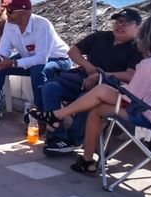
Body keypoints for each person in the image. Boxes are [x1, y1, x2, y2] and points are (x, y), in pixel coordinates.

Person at [31, 16, 151, 175]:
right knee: (98, 94)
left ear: (145, 38)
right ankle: (67, 130)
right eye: (118, 21)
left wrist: (110, 85)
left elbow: (130, 98)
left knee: (97, 107)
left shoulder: (150, 64)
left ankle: (84, 156)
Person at [41, 8, 143, 156]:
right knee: (50, 88)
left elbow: (130, 75)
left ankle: (74, 140)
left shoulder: (137, 48)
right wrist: (89, 67)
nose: (120, 25)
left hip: (107, 87)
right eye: (118, 21)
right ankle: (58, 136)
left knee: (87, 98)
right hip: (80, 78)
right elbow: (72, 51)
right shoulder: (100, 37)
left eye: (126, 23)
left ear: (138, 27)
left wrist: (101, 75)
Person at [0, 0, 72, 122]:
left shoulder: (42, 25)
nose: (6, 13)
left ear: (24, 13)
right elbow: (4, 48)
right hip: (29, 56)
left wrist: (14, 63)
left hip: (58, 59)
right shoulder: (9, 24)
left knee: (38, 70)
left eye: (10, 10)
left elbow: (41, 58)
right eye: (6, 9)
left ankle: (42, 115)